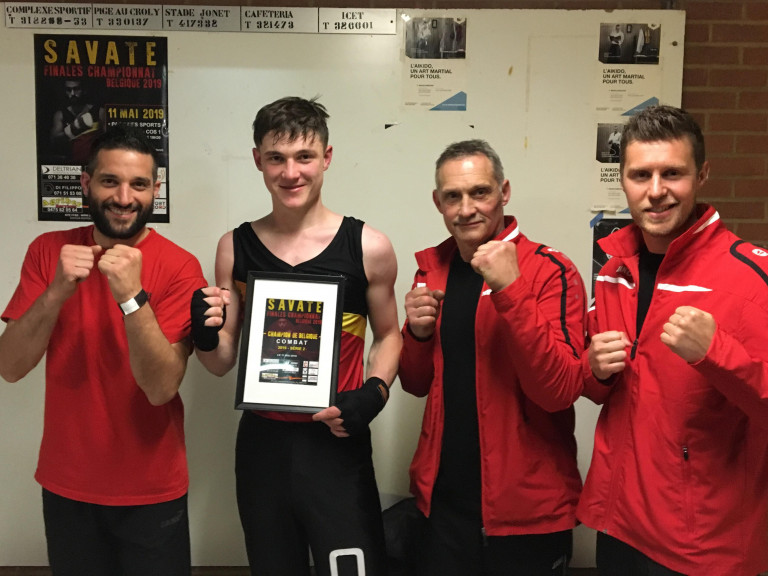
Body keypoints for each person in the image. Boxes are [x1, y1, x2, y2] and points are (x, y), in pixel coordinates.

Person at [191, 96, 401, 576]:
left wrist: (375, 391)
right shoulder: (234, 246)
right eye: (276, 158)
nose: (291, 173)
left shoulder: (368, 245)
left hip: (336, 441)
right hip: (262, 446)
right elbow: (223, 360)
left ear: (326, 158)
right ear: (257, 160)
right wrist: (203, 336)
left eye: (304, 157)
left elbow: (389, 336)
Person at [0, 126, 206, 575]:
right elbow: (10, 367)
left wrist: (132, 298)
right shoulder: (47, 251)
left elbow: (160, 388)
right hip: (67, 483)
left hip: (153, 488)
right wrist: (56, 292)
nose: (124, 197)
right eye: (110, 181)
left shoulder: (180, 266)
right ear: (85, 184)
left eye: (139, 184)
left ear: (156, 190)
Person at [579, 105, 768, 575]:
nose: (656, 191)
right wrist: (594, 369)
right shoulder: (613, 270)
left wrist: (716, 354)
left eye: (673, 173)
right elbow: (606, 389)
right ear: (622, 179)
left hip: (703, 543)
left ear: (701, 175)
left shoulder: (754, 278)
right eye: (641, 174)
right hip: (619, 521)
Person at [399, 139, 587, 576]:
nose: (467, 209)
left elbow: (559, 391)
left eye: (480, 192)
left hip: (527, 513)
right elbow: (414, 383)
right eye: (453, 196)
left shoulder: (550, 270)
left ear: (504, 192)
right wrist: (419, 335)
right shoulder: (432, 270)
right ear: (438, 203)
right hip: (444, 506)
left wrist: (511, 288)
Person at [50, 78, 105, 164]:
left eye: (76, 89)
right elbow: (54, 139)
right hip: (70, 164)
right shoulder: (61, 114)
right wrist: (75, 127)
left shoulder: (99, 112)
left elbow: (109, 140)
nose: (72, 94)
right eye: (69, 90)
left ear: (84, 90)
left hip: (93, 164)